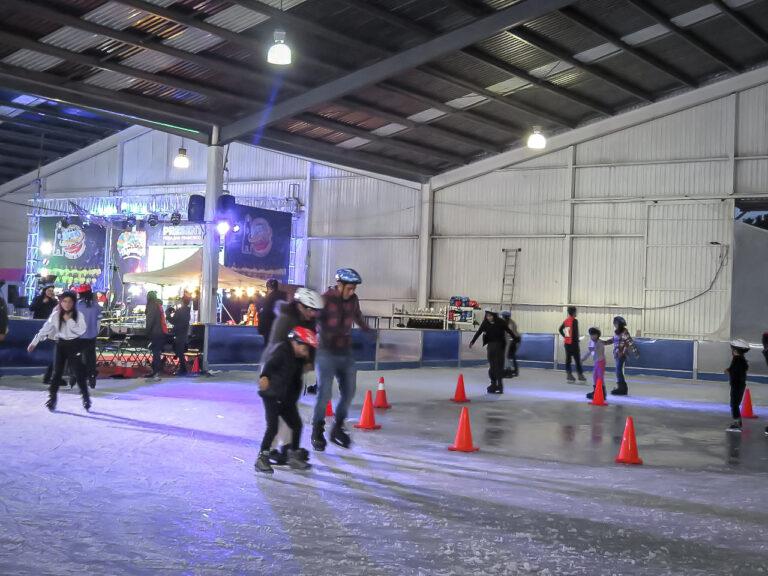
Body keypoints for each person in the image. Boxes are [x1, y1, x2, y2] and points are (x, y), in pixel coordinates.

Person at [311, 268, 372, 451]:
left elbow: (357, 316)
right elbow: (313, 320)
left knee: (349, 392)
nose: (352, 292)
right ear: (340, 285)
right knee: (325, 393)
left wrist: (367, 330)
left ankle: (337, 427)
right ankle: (317, 430)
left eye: (354, 288)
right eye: (350, 288)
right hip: (326, 352)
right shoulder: (325, 299)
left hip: (345, 352)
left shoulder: (353, 300)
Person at [265, 287, 324, 464]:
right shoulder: (285, 320)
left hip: (294, 374)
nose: (313, 313)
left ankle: (288, 448)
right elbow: (276, 350)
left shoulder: (309, 322)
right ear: (300, 306)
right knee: (280, 414)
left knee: (290, 411)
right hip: (278, 372)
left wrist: (309, 362)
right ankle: (277, 450)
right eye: (310, 309)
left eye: (315, 311)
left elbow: (311, 344)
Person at [255, 327, 317, 474]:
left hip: (287, 399)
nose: (306, 352)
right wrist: (264, 377)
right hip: (273, 396)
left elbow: (296, 379)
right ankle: (261, 458)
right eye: (304, 347)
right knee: (273, 427)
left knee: (297, 425)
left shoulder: (299, 358)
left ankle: (294, 456)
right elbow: (269, 365)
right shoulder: (281, 351)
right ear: (295, 342)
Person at [27, 291, 89, 411]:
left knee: (78, 372)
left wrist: (69, 320)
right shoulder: (55, 315)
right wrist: (34, 342)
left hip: (74, 344)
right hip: (60, 344)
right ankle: (52, 399)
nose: (67, 304)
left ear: (73, 303)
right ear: (61, 302)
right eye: (64, 301)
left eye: (70, 301)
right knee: (56, 373)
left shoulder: (78, 315)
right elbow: (45, 329)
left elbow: (82, 330)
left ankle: (85, 397)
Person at [470, 309, 516, 394]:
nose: (489, 318)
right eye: (487, 316)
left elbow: (508, 330)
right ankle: (493, 384)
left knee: (498, 367)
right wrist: (472, 341)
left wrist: (515, 338)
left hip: (499, 346)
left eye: (490, 316)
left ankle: (500, 386)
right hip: (491, 347)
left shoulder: (500, 322)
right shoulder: (485, 323)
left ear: (494, 315)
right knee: (492, 367)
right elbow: (479, 332)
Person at [31, 284, 58, 384]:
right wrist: (42, 303)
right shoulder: (38, 299)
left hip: (50, 329)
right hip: (40, 325)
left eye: (52, 291)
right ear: (45, 291)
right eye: (49, 290)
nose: (51, 292)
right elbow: (31, 308)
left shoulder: (54, 302)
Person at [76, 284, 101, 389]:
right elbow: (99, 323)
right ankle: (92, 377)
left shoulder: (76, 306)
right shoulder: (96, 306)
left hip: (79, 336)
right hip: (91, 336)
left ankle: (78, 377)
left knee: (78, 357)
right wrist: (95, 332)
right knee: (91, 357)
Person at [725, 339, 750, 433]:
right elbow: (736, 370)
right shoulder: (740, 360)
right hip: (738, 385)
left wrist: (730, 371)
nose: (732, 351)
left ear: (735, 350)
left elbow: (736, 372)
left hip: (737, 385)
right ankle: (738, 422)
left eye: (732, 349)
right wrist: (729, 370)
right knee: (735, 404)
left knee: (734, 404)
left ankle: (737, 424)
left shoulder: (738, 360)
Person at [610, 316, 638, 396]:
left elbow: (630, 342)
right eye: (614, 323)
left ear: (619, 324)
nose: (614, 324)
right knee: (618, 370)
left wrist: (635, 352)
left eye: (615, 323)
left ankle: (622, 388)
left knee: (618, 370)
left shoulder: (624, 332)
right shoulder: (617, 332)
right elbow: (612, 340)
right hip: (616, 353)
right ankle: (621, 388)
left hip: (621, 354)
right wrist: (602, 342)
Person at [559, 306, 586, 383]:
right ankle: (580, 375)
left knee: (568, 360)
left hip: (567, 344)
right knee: (577, 360)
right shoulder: (575, 321)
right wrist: (577, 340)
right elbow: (575, 332)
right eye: (576, 311)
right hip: (574, 344)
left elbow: (560, 329)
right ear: (574, 312)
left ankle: (569, 375)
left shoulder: (566, 321)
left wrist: (566, 336)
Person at [145, 290, 168, 379]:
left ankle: (156, 372)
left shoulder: (152, 305)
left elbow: (150, 320)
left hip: (155, 332)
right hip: (160, 332)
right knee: (156, 352)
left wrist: (147, 332)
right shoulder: (158, 305)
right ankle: (156, 371)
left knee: (156, 353)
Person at [258, 279, 286, 345]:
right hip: (282, 331)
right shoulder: (284, 297)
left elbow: (264, 315)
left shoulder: (269, 298)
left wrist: (261, 330)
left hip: (270, 330)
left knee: (269, 351)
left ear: (268, 287)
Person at [169, 295, 191, 376]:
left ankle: (183, 369)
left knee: (179, 351)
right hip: (184, 333)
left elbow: (173, 321)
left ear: (182, 301)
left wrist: (168, 315)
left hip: (179, 333)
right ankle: (182, 368)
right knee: (179, 351)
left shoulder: (180, 310)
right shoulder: (187, 311)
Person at [583, 327, 607, 400]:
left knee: (600, 377)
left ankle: (602, 393)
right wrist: (583, 358)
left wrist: (593, 348)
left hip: (601, 361)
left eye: (593, 335)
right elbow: (589, 351)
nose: (592, 337)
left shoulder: (600, 343)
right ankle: (596, 391)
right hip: (596, 362)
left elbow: (597, 350)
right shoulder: (591, 342)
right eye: (591, 335)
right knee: (595, 377)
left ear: (597, 335)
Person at [500, 310, 521, 378]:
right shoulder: (508, 322)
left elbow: (509, 335)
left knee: (506, 355)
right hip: (513, 340)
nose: (502, 318)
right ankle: (514, 370)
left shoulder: (510, 324)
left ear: (505, 317)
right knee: (510, 355)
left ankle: (508, 371)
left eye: (503, 316)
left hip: (514, 340)